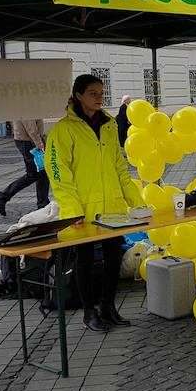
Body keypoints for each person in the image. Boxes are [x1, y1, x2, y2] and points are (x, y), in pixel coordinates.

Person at [46, 74, 145, 332]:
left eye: (101, 93)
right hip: (83, 210)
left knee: (114, 256)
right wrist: (72, 211)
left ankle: (108, 306)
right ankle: (89, 311)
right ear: (78, 95)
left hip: (112, 208)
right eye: (93, 93)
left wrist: (136, 202)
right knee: (85, 260)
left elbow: (119, 167)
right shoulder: (63, 130)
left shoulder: (109, 125)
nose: (99, 97)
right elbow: (59, 174)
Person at [0, 119, 49, 216]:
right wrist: (39, 144)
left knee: (40, 173)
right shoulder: (27, 106)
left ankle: (43, 204)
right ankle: (2, 196)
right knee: (37, 173)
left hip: (26, 140)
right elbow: (30, 127)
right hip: (28, 141)